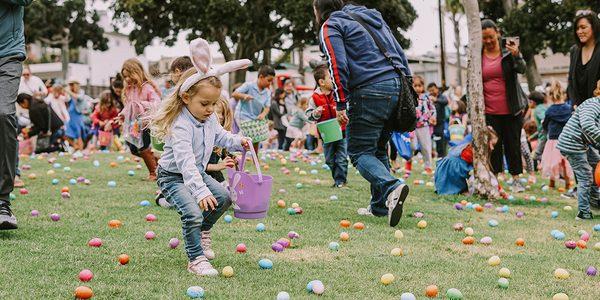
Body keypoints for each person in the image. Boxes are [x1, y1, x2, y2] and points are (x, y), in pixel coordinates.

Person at [151, 38, 251, 275]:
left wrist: (238, 141)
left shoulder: (209, 117)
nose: (210, 109)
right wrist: (200, 191)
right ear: (186, 98)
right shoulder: (181, 125)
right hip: (173, 177)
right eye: (205, 103)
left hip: (196, 171)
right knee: (192, 212)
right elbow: (186, 164)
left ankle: (202, 231)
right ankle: (195, 260)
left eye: (214, 103)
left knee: (224, 198)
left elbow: (221, 136)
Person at [315, 0, 409, 226]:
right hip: (397, 86)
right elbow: (398, 52)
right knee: (377, 149)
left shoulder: (331, 25)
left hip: (369, 89)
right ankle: (379, 207)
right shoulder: (372, 18)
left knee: (358, 152)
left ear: (318, 9)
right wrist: (406, 86)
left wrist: (339, 103)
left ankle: (391, 186)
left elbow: (337, 65)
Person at [481, 19, 528, 193]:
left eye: (491, 37)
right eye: (484, 38)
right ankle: (496, 177)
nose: (488, 41)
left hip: (512, 109)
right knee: (493, 145)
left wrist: (517, 55)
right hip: (490, 111)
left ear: (498, 33)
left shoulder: (507, 51)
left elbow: (522, 69)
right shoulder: (478, 54)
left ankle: (516, 179)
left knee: (513, 144)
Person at [557, 91, 600, 220]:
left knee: (595, 164)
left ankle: (594, 200)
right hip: (572, 144)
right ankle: (583, 212)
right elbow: (587, 125)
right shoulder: (593, 105)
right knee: (585, 176)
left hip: (582, 143)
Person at [306, 64, 348, 187]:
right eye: (331, 78)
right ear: (321, 82)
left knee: (341, 158)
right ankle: (337, 179)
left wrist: (346, 115)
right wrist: (316, 113)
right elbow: (308, 115)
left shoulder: (338, 94)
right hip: (326, 134)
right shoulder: (314, 98)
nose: (334, 80)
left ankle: (341, 181)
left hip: (342, 131)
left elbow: (347, 108)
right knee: (329, 159)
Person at [121, 58, 162, 180]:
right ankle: (157, 161)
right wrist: (122, 115)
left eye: (129, 76)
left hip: (146, 122)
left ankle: (153, 173)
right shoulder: (129, 89)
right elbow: (129, 106)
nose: (127, 79)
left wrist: (142, 104)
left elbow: (157, 103)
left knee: (143, 147)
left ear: (137, 72)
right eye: (125, 77)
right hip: (134, 124)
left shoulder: (147, 87)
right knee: (132, 147)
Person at [435, 126, 498, 195]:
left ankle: (462, 189)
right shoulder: (471, 151)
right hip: (451, 170)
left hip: (455, 167)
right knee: (478, 172)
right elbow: (475, 170)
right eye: (492, 144)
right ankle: (457, 189)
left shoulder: (475, 148)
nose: (492, 148)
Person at [232, 65, 274, 154]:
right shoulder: (249, 85)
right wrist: (244, 96)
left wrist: (263, 114)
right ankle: (234, 151)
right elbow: (234, 94)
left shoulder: (267, 92)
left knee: (256, 137)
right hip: (242, 115)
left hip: (255, 117)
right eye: (268, 80)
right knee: (247, 135)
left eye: (271, 81)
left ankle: (255, 157)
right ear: (261, 77)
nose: (270, 83)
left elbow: (267, 107)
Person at [541, 82, 573, 192]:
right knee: (565, 162)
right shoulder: (568, 108)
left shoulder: (550, 110)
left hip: (554, 139)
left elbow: (545, 124)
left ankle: (552, 182)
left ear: (550, 96)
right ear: (563, 94)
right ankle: (568, 183)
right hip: (566, 139)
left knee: (552, 162)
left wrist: (544, 127)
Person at [567, 10, 600, 108]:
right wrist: (574, 103)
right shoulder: (574, 50)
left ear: (594, 28)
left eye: (583, 27)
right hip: (579, 109)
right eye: (577, 28)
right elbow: (571, 81)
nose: (579, 32)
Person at [205, 97, 237, 183]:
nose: (221, 117)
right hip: (202, 178)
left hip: (216, 177)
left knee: (227, 194)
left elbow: (223, 153)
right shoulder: (204, 137)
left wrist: (232, 157)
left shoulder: (220, 137)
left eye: (223, 113)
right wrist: (218, 166)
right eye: (218, 112)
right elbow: (197, 165)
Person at [412, 76, 436, 173]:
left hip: (424, 126)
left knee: (426, 147)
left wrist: (432, 117)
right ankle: (408, 164)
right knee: (412, 146)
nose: (417, 88)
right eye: (415, 86)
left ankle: (428, 166)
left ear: (423, 86)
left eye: (419, 86)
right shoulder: (409, 97)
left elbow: (432, 109)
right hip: (412, 126)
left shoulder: (426, 97)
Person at [65, 78, 91, 151]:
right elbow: (66, 100)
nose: (71, 86)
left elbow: (79, 98)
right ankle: (75, 146)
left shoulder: (81, 92)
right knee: (66, 133)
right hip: (71, 116)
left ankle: (81, 150)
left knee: (78, 135)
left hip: (77, 116)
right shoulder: (69, 93)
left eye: (72, 85)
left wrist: (69, 91)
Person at [428, 82, 448, 158]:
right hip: (431, 123)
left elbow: (445, 102)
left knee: (441, 140)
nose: (431, 92)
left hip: (440, 123)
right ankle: (433, 154)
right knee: (432, 140)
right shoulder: (428, 97)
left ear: (436, 88)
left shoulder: (441, 96)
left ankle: (442, 156)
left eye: (433, 90)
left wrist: (436, 100)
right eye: (430, 91)